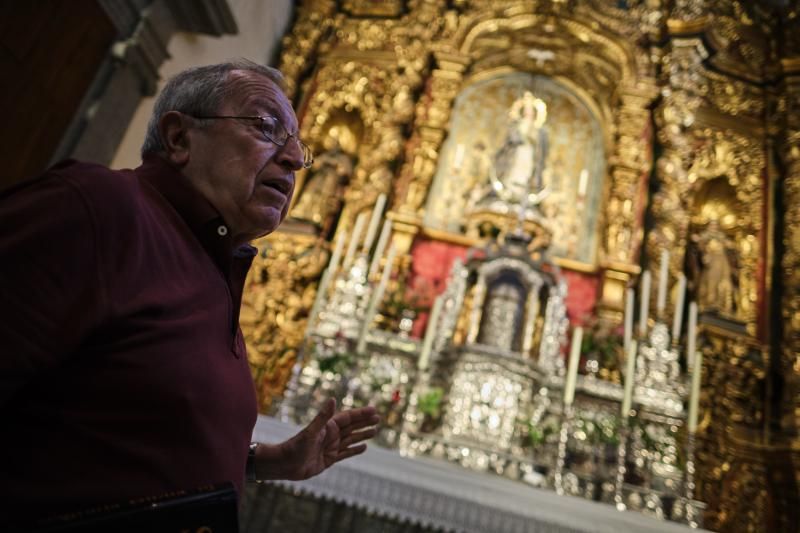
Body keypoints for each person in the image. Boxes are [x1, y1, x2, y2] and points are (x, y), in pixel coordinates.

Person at [0, 59, 379, 526]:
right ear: (179, 138)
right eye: (265, 127)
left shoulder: (214, 268)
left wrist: (263, 462)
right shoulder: (99, 209)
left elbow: (123, 435)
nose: (292, 160)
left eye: (298, 149)